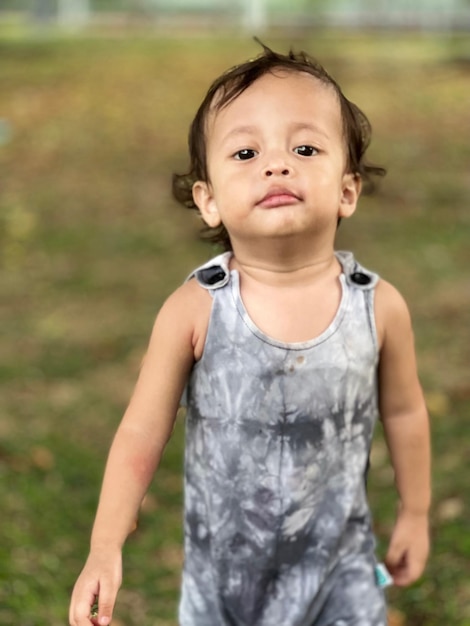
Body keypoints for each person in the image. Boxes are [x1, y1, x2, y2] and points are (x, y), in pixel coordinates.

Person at [69, 43, 431, 626]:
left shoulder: (379, 306)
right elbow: (141, 429)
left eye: (305, 147)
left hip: (338, 575)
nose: (277, 164)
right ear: (208, 201)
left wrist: (414, 513)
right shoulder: (195, 310)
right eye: (245, 151)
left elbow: (407, 412)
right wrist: (106, 543)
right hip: (225, 584)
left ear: (347, 190)